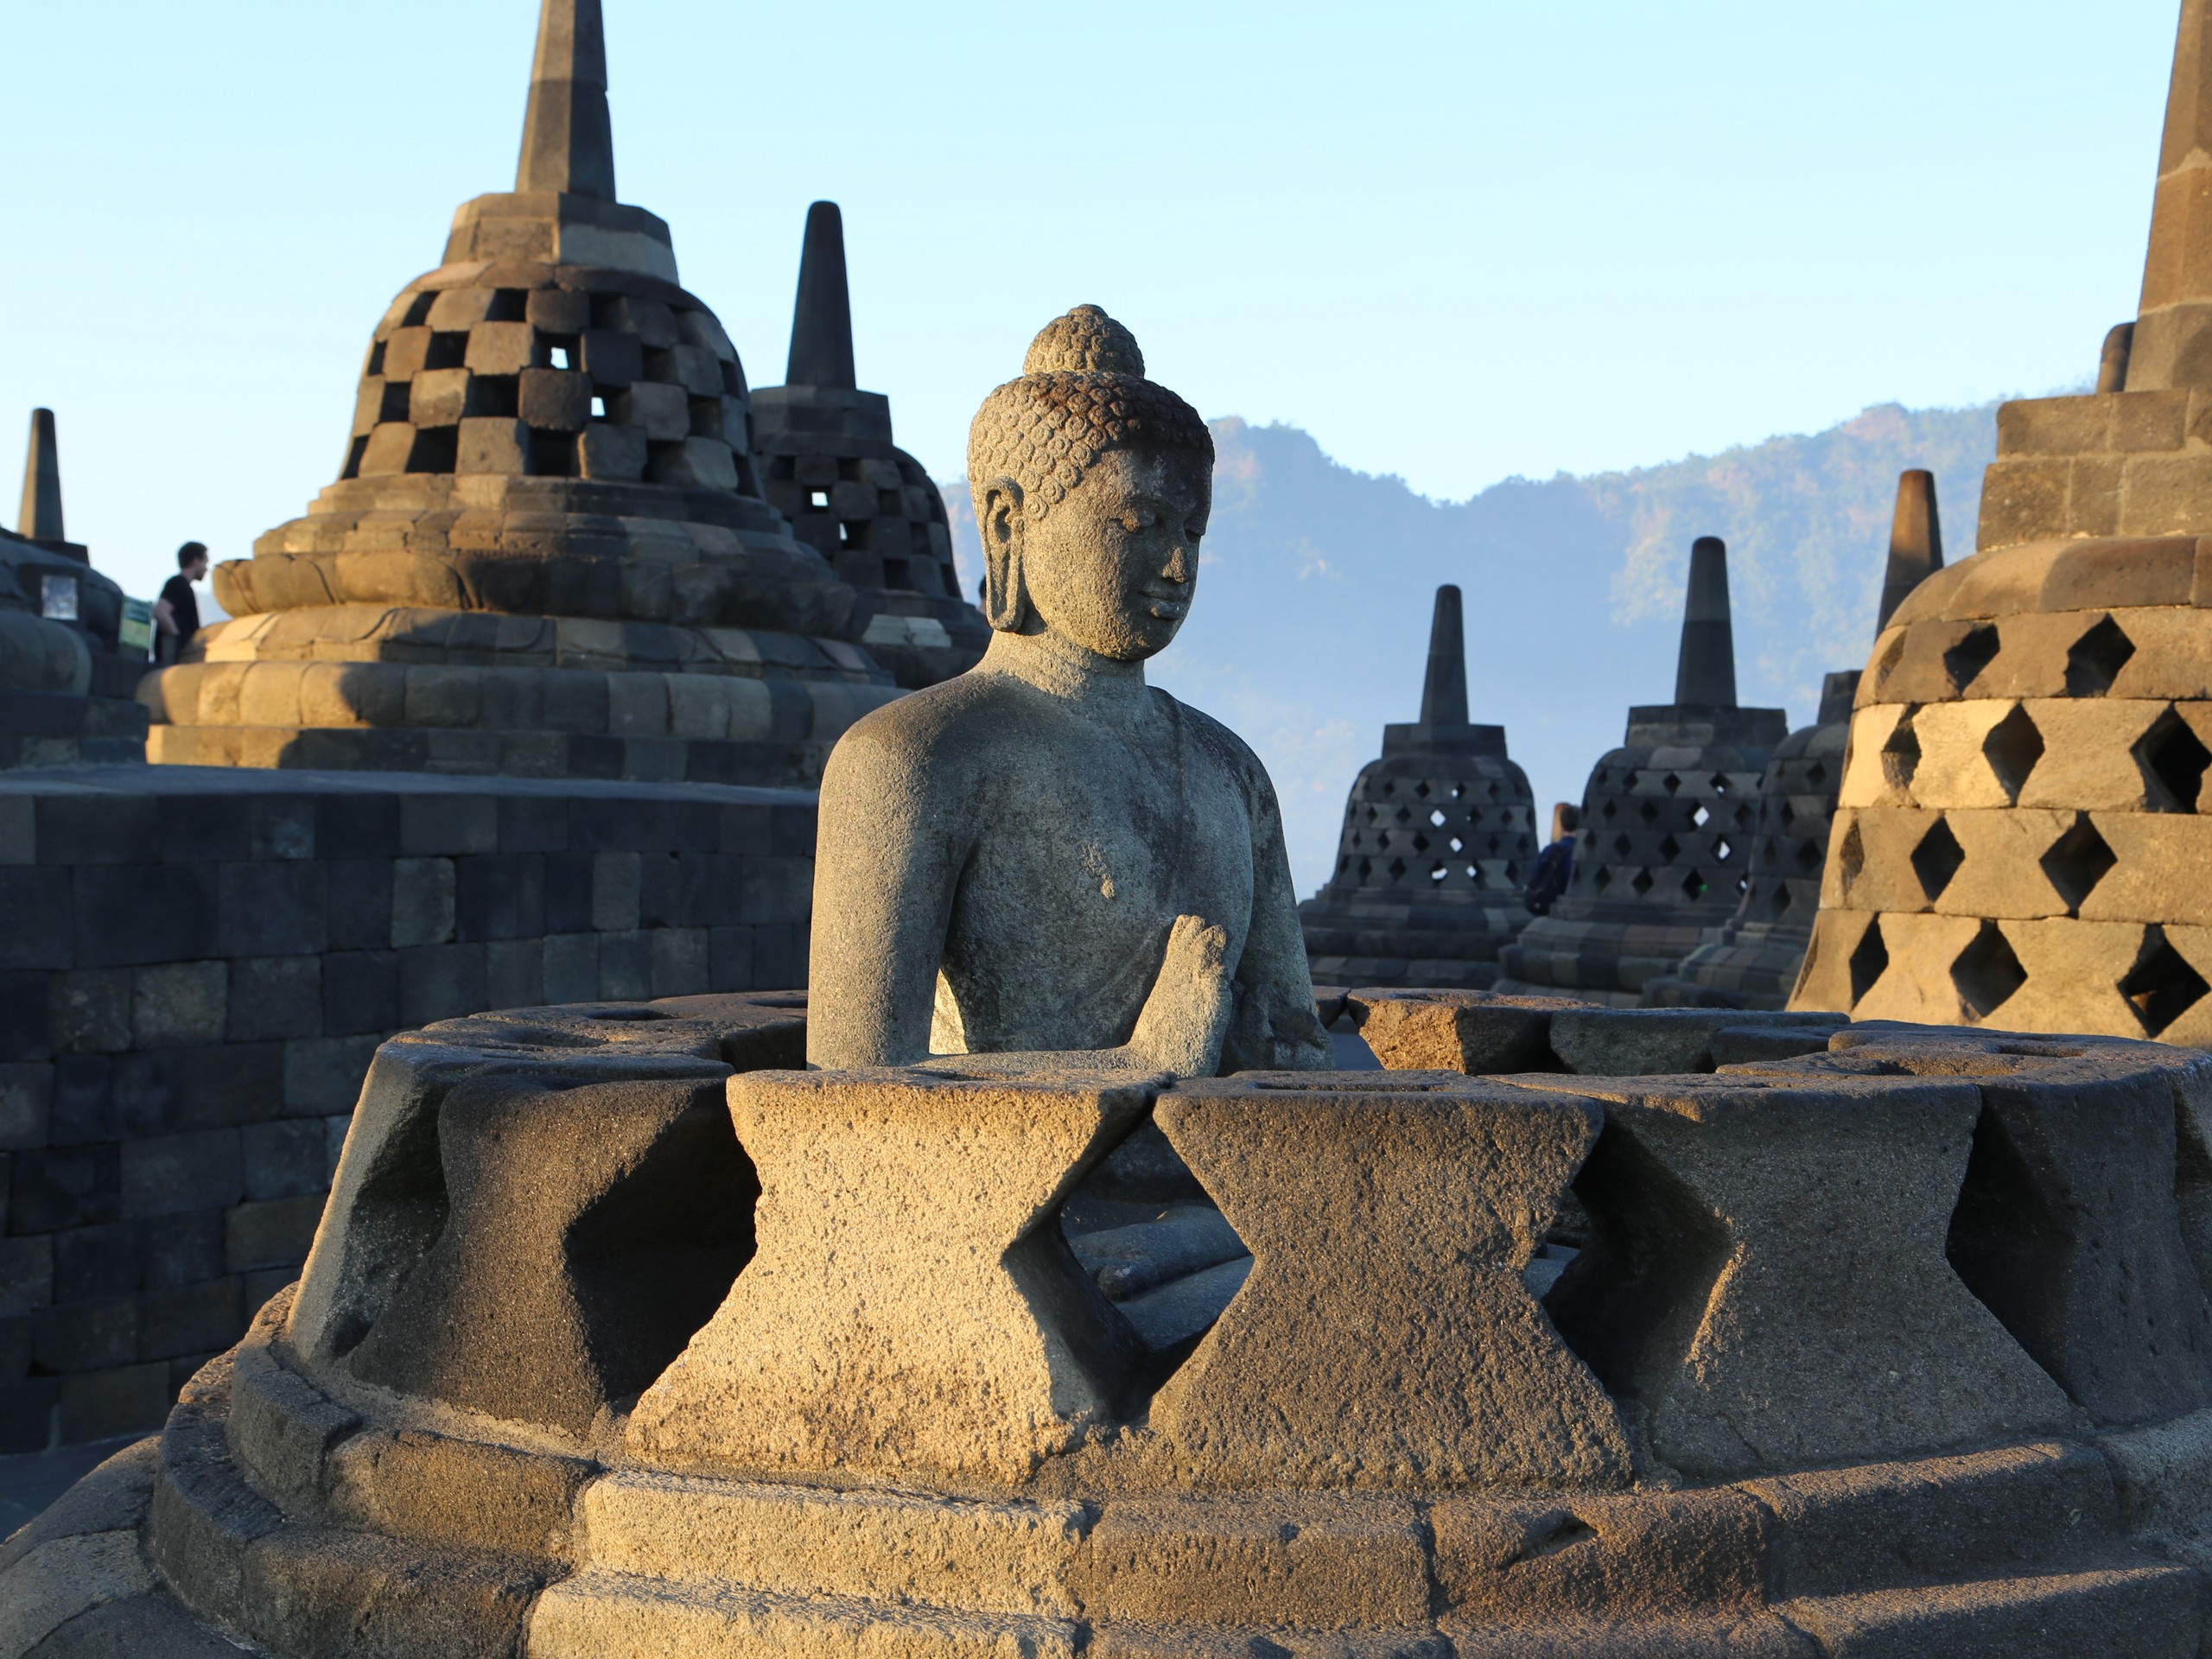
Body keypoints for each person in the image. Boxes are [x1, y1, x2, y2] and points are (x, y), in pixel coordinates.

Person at [804, 306, 1331, 1078]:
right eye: (1139, 523)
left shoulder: (1234, 773)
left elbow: (1298, 1059)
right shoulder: (911, 761)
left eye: (1192, 532)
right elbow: (845, 1102)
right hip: (995, 1197)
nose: (1177, 567)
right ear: (1009, 523)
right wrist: (1140, 1063)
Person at [154, 542, 209, 665]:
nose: (206, 568)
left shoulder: (181, 585)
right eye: (205, 562)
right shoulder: (178, 583)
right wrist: (177, 641)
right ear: (195, 561)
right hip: (173, 666)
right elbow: (160, 612)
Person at [1523, 802, 1580, 916]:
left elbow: (1535, 873)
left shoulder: (1548, 850)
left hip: (1542, 906)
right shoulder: (1579, 852)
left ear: (1561, 825)